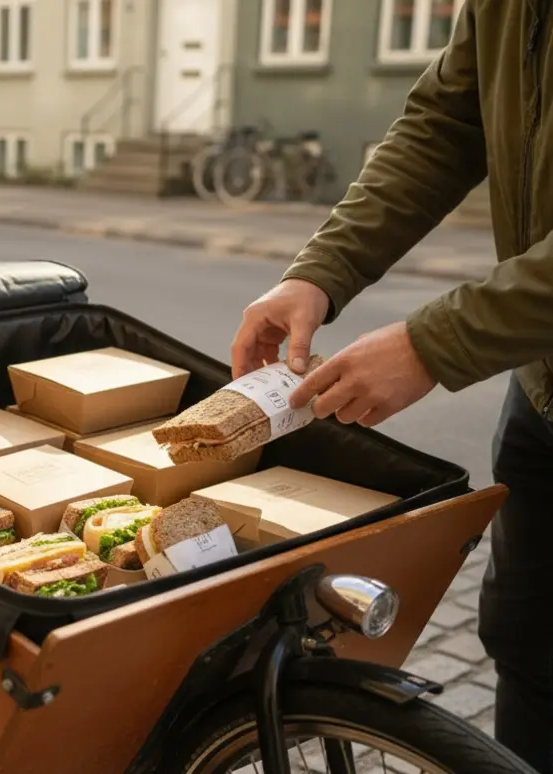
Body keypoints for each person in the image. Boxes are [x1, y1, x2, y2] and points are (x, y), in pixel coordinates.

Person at [230, 4, 552, 772]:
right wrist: (322, 271)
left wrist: (431, 344)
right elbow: (447, 122)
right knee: (529, 642)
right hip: (544, 385)